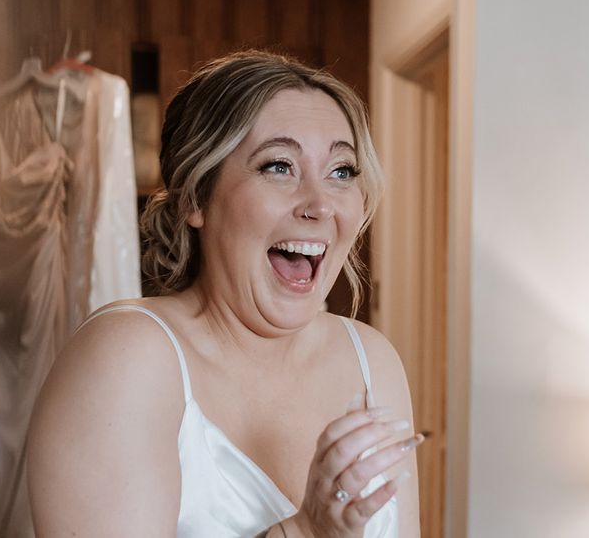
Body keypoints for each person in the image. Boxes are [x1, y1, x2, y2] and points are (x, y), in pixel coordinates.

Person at [27, 51, 421, 537]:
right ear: (196, 197)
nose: (321, 205)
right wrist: (303, 532)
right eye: (279, 166)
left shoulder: (373, 360)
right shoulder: (127, 357)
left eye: (342, 171)